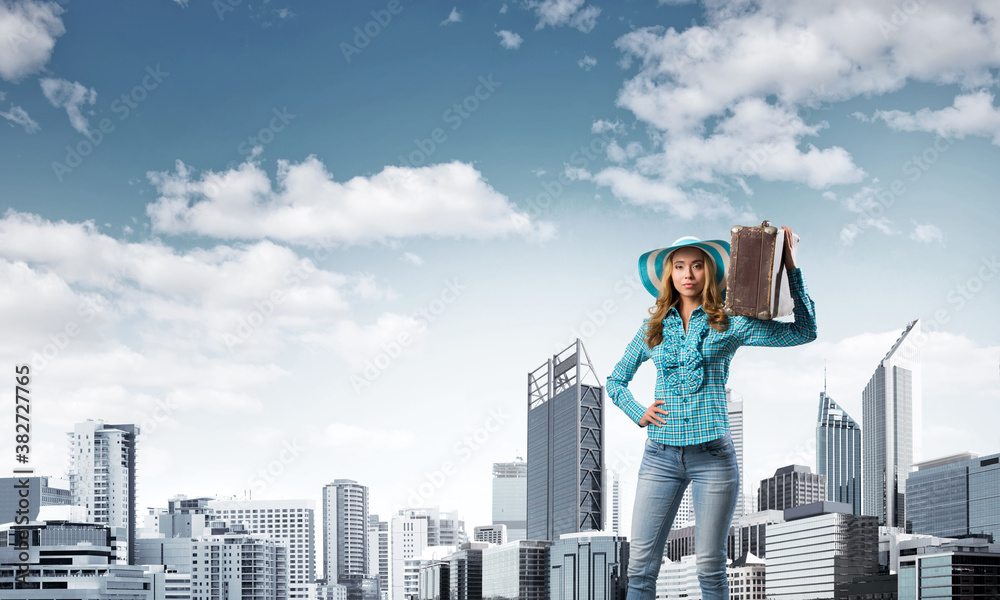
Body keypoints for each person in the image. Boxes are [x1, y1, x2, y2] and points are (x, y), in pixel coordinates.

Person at [606, 227, 816, 600]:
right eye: (680, 266)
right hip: (660, 458)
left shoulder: (730, 321)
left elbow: (803, 331)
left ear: (710, 272)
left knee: (710, 567)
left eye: (697, 266)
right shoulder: (652, 328)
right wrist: (638, 412)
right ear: (669, 274)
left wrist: (790, 269)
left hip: (713, 460)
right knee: (640, 568)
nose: (688, 274)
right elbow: (616, 381)